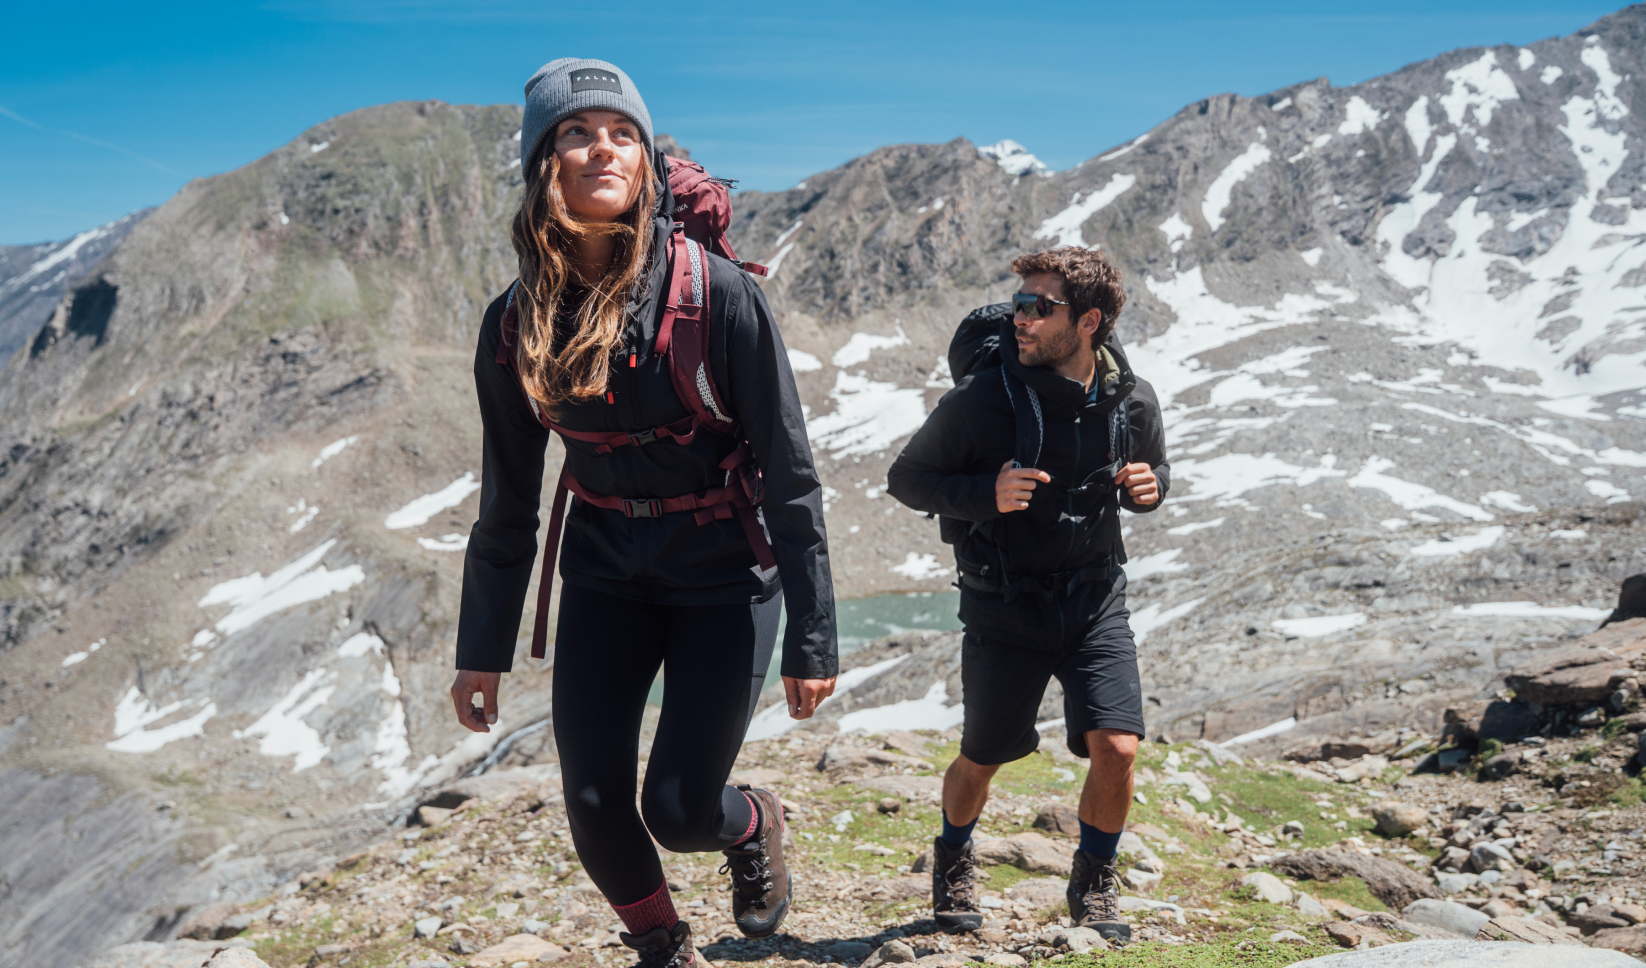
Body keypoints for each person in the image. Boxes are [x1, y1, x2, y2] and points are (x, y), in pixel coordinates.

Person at [448, 58, 838, 968]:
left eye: (622, 132)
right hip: (604, 570)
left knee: (675, 809)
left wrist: (814, 636)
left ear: (648, 162)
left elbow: (791, 474)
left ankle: (750, 822)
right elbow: (507, 498)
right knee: (590, 800)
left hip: (723, 572)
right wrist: (481, 651)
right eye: (577, 133)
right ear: (545, 162)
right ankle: (662, 945)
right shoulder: (515, 323)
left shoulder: (718, 294)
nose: (602, 148)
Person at [886, 247, 1168, 943]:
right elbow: (908, 478)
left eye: (1041, 308)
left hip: (1096, 598)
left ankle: (1094, 883)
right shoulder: (982, 399)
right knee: (982, 758)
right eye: (1018, 304)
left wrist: (1150, 489)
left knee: (1119, 747)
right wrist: (986, 493)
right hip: (1003, 606)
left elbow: (1153, 470)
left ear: (1090, 320)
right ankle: (952, 856)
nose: (1023, 319)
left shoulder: (1132, 399)